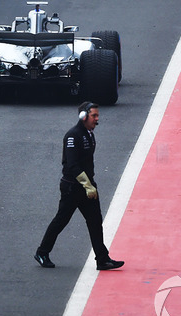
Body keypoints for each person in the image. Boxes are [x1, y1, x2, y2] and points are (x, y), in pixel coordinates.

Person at [34, 102, 124, 271]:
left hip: (87, 186)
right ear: (83, 117)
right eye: (94, 116)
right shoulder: (73, 136)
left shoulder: (89, 134)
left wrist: (90, 185)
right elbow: (72, 166)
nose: (97, 120)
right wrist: (88, 185)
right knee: (61, 220)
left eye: (97, 116)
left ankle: (102, 259)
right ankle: (42, 252)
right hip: (73, 188)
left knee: (95, 221)